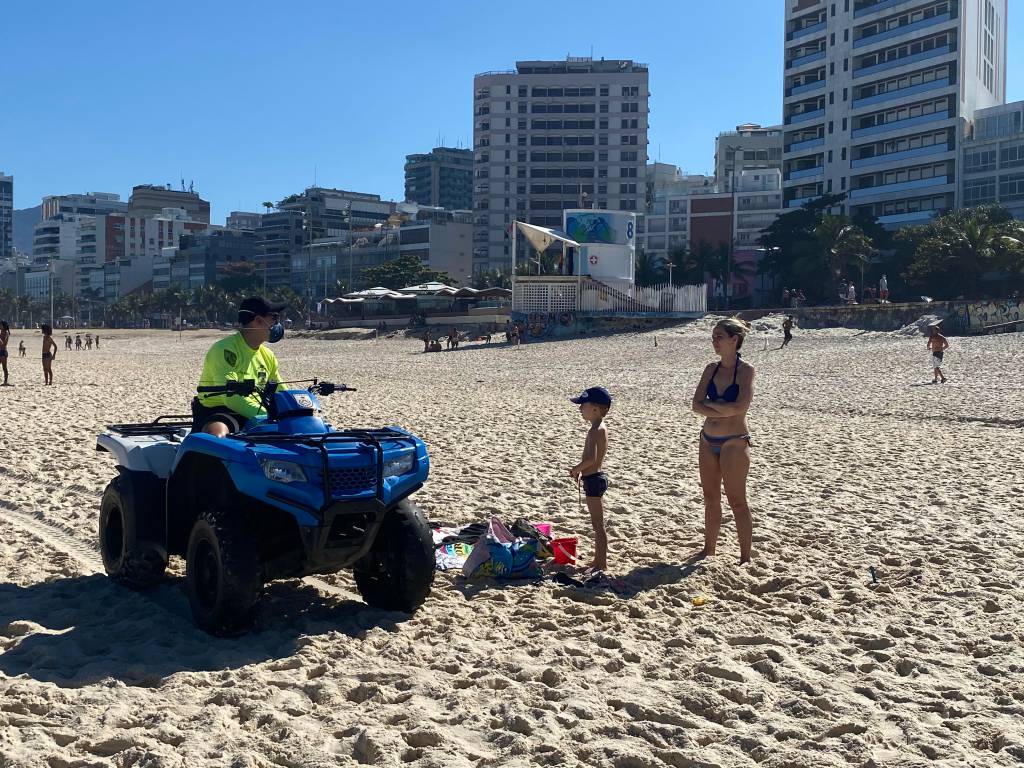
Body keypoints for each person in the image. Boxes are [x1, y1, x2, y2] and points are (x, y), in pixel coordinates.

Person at [691, 318, 755, 564]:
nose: (714, 341)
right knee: (710, 498)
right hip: (707, 440)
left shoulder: (746, 370)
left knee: (737, 501)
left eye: (719, 336)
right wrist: (722, 408)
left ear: (734, 340)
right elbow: (696, 405)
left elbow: (741, 407)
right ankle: (709, 549)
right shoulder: (711, 369)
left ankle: (745, 557)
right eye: (713, 337)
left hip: (734, 441)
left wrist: (711, 406)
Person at [192, 296, 286, 436]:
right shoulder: (225, 349)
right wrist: (270, 415)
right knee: (218, 432)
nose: (277, 323)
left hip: (257, 413)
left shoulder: (268, 355)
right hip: (222, 411)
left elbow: (281, 391)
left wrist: (293, 412)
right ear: (258, 320)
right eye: (274, 318)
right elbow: (231, 399)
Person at [568, 386, 612, 572]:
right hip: (593, 478)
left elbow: (592, 459)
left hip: (594, 479)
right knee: (597, 524)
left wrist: (576, 468)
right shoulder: (597, 427)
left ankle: (601, 563)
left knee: (598, 525)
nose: (580, 409)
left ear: (595, 408)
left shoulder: (595, 430)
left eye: (583, 405)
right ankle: (597, 561)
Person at [0, 320, 10, 386]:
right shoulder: (0, 332)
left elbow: (4, 344)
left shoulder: (6, 333)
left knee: (4, 367)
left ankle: (5, 381)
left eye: (1, 325)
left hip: (3, 351)